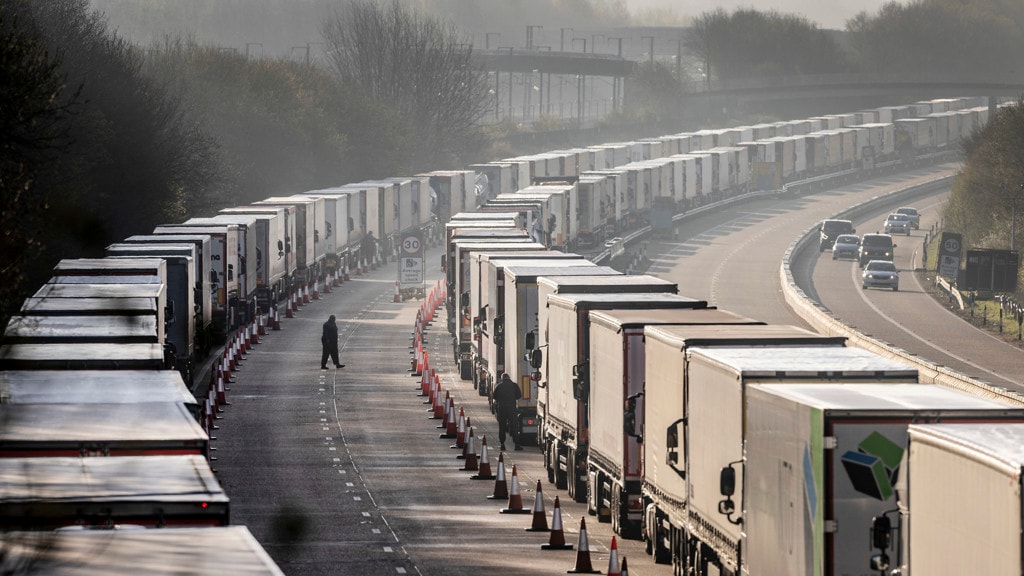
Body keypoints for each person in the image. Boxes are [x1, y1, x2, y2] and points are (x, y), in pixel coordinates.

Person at [492, 373, 522, 451]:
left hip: (502, 409)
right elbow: (519, 395)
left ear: (502, 378)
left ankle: (502, 444)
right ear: (509, 378)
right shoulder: (514, 385)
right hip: (511, 408)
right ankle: (517, 445)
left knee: (502, 427)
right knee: (514, 426)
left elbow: (494, 396)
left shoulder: (499, 386)